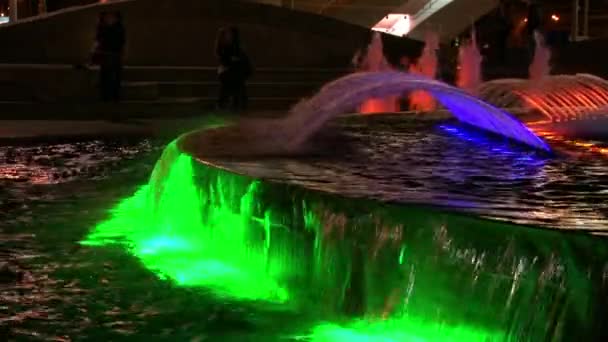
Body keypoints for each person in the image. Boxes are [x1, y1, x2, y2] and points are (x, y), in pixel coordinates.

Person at [215, 26, 252, 112]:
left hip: (234, 71)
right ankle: (232, 105)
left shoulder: (232, 45)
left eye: (229, 35)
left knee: (234, 88)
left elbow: (236, 59)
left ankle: (230, 105)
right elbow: (226, 59)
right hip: (232, 71)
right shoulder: (225, 46)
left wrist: (234, 60)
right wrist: (233, 60)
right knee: (234, 88)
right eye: (227, 35)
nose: (228, 36)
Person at [92, 11, 126, 103]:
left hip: (114, 54)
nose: (109, 18)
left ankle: (114, 97)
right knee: (106, 76)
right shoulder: (102, 27)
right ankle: (106, 97)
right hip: (106, 54)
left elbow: (121, 41)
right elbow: (98, 40)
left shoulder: (119, 27)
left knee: (114, 76)